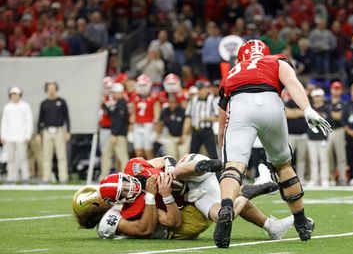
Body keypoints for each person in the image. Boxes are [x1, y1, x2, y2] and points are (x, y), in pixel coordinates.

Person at [216, 39, 331, 248]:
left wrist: (222, 150)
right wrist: (307, 109)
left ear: (241, 56)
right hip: (271, 103)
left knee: (233, 166)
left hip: (240, 105)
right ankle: (301, 222)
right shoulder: (276, 60)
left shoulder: (233, 71)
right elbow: (291, 82)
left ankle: (226, 207)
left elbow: (222, 122)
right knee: (283, 164)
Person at [73, 154, 293, 240]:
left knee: (179, 169)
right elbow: (151, 227)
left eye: (126, 181)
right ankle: (248, 183)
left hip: (187, 186)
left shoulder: (135, 170)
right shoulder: (116, 217)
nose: (130, 187)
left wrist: (169, 169)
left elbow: (167, 158)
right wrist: (161, 195)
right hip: (181, 218)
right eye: (123, 191)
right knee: (222, 206)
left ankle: (221, 167)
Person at [37, 81, 70, 184]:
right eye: (49, 88)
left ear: (56, 89)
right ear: (47, 90)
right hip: (47, 131)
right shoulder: (44, 103)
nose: (51, 90)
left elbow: (67, 118)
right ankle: (46, 177)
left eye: (53, 88)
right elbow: (40, 119)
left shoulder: (61, 102)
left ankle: (63, 177)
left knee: (61, 155)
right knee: (47, 155)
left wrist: (68, 131)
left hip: (59, 130)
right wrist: (39, 133)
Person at [1, 87, 33, 184]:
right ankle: (10, 178)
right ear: (10, 95)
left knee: (23, 158)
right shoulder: (7, 107)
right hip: (9, 137)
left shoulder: (25, 106)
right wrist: (3, 136)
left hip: (21, 137)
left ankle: (25, 177)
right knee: (10, 158)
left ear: (20, 95)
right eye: (12, 94)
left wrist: (28, 135)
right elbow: (4, 122)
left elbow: (29, 122)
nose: (14, 96)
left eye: (16, 94)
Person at [99, 83, 130, 180]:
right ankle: (104, 176)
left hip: (118, 135)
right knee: (106, 153)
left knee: (122, 156)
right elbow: (113, 116)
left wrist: (114, 134)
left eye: (115, 92)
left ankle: (128, 177)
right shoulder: (119, 103)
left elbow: (119, 121)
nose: (113, 94)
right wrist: (104, 105)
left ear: (120, 92)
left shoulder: (122, 103)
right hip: (116, 134)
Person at [183, 80, 219, 159]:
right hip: (196, 131)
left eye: (201, 89)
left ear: (206, 89)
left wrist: (207, 118)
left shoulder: (213, 100)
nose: (200, 91)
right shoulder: (193, 100)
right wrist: (184, 133)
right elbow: (188, 116)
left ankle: (217, 171)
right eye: (199, 89)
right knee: (192, 155)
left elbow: (218, 117)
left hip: (207, 131)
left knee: (213, 154)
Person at [131, 74, 160, 159]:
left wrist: (156, 131)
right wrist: (131, 129)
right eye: (140, 85)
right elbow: (133, 114)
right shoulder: (134, 96)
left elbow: (157, 115)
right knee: (138, 151)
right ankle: (140, 171)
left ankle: (151, 170)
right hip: (137, 125)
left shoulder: (154, 97)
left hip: (149, 125)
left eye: (144, 85)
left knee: (148, 151)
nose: (142, 87)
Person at [307, 88, 330, 187]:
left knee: (323, 159)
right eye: (315, 96)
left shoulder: (326, 109)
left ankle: (324, 179)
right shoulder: (309, 109)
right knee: (313, 160)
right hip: (311, 137)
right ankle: (314, 179)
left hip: (323, 137)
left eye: (319, 96)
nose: (317, 98)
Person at [326, 81, 347, 185]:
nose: (336, 90)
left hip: (339, 130)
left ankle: (343, 177)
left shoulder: (343, 103)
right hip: (327, 130)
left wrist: (328, 113)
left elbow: (338, 116)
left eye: (338, 88)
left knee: (341, 155)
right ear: (331, 89)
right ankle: (331, 177)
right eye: (334, 88)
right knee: (328, 155)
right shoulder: (327, 102)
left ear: (341, 90)